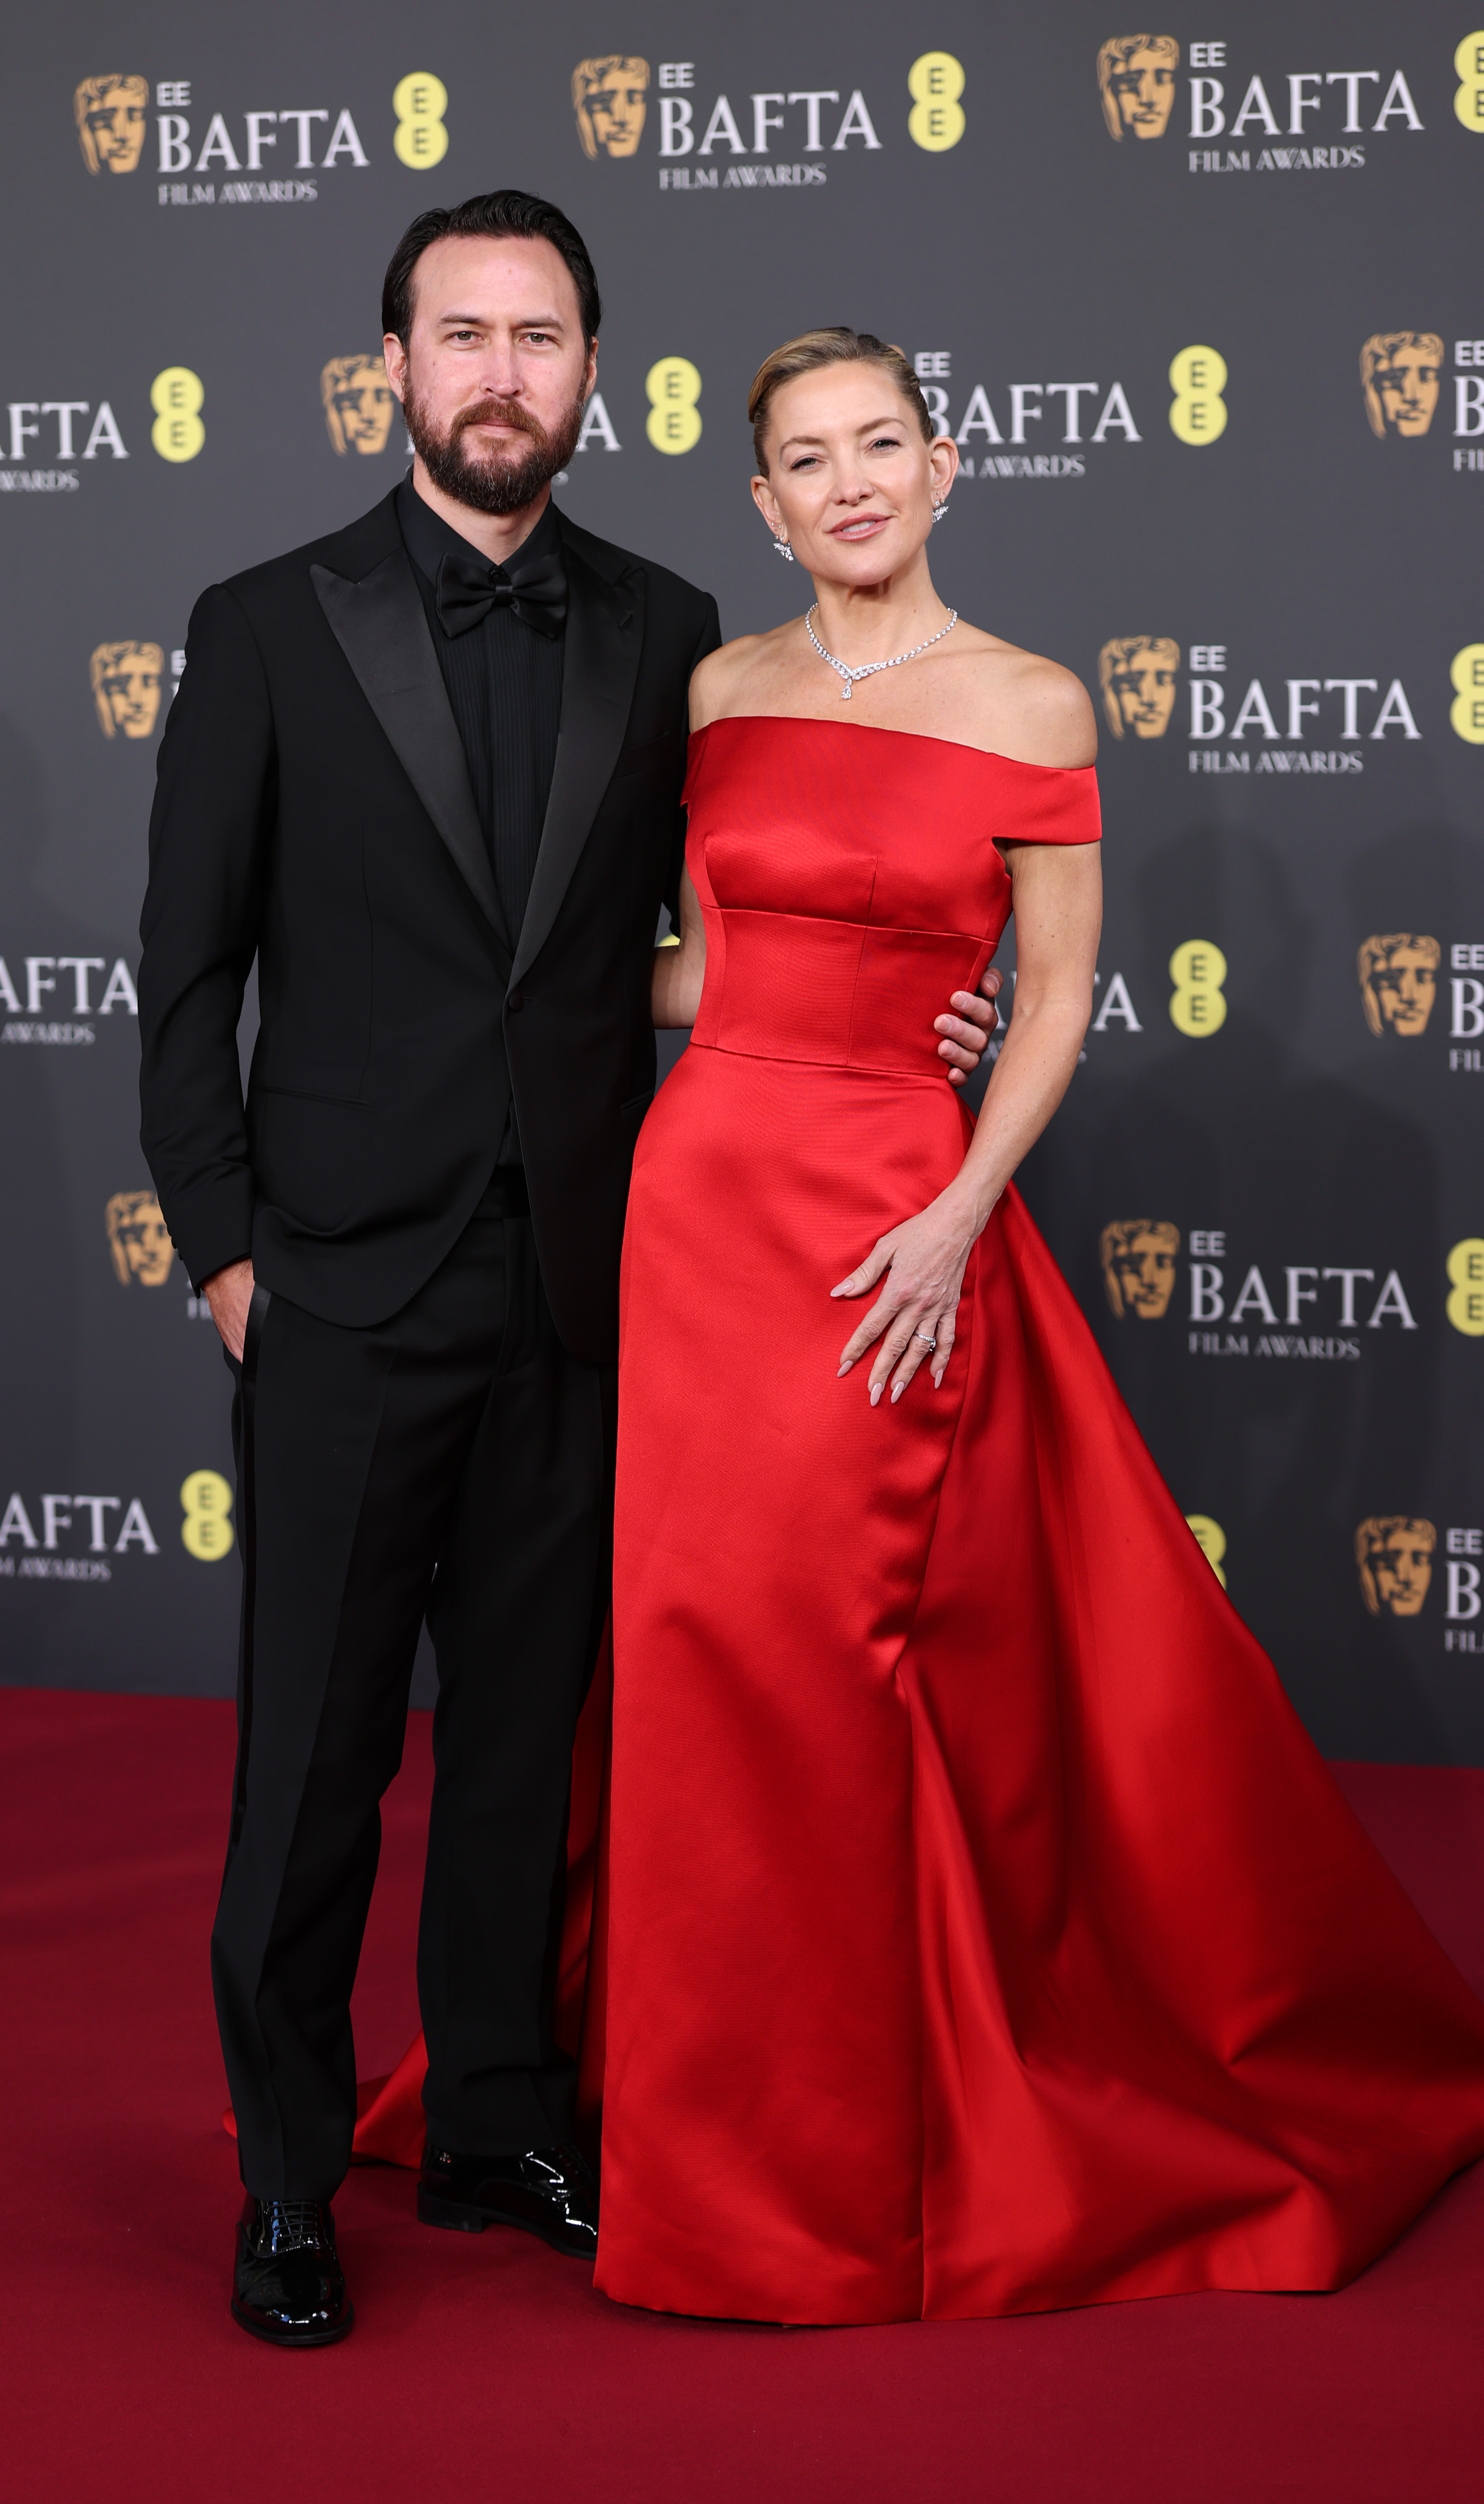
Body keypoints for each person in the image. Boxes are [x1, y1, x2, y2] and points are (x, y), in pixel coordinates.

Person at [593, 328, 1484, 2325]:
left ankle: (825, 2170)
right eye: (803, 461)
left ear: (948, 468)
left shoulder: (1029, 698)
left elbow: (1058, 996)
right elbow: (694, 970)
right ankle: (675, 2125)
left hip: (882, 1228)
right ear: (758, 502)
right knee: (687, 1647)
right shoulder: (717, 688)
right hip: (701, 1214)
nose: (847, 484)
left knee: (827, 1658)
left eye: (881, 446)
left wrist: (950, 1210)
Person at [136, 210, 1000, 2348]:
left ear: (593, 366)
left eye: (539, 335)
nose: (500, 370)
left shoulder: (680, 626)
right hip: (339, 1294)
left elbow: (717, 951)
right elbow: (184, 981)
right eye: (463, 335)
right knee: (314, 1768)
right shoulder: (263, 623)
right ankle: (279, 2177)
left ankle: (498, 2117)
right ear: (395, 368)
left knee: (530, 1748)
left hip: (604, 1291)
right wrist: (232, 1263)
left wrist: (925, 1015)